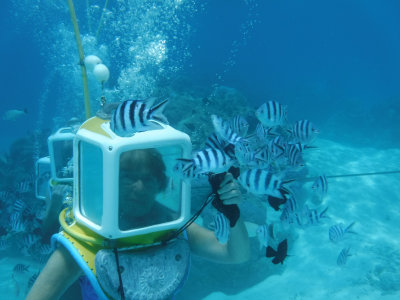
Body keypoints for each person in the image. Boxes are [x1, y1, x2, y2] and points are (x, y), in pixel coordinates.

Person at [26, 149, 250, 300]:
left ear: (161, 184)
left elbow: (235, 255)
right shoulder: (86, 236)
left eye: (148, 178)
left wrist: (232, 212)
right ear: (109, 183)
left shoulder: (172, 226)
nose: (139, 188)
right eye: (128, 178)